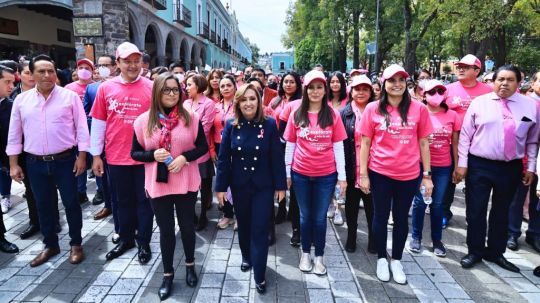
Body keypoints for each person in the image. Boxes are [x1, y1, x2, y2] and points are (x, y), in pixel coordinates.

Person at [455, 65, 540, 273]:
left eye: (510, 79)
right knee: (476, 210)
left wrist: (530, 167)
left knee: (502, 211)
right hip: (480, 164)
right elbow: (465, 135)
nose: (504, 83)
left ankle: (495, 251)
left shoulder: (530, 107)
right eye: (500, 79)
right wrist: (462, 164)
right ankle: (474, 251)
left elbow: (532, 141)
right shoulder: (479, 103)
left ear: (519, 83)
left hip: (511, 167)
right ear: (493, 81)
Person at [7, 54, 90, 266]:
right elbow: (15, 134)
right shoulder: (21, 100)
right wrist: (14, 163)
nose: (47, 75)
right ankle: (50, 244)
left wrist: (82, 157)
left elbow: (82, 129)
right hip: (35, 163)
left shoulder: (69, 97)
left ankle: (76, 244)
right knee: (43, 205)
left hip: (65, 160)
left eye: (50, 71)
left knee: (72, 203)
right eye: (41, 71)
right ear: (31, 75)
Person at [132, 73, 208, 300]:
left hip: (186, 182)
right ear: (157, 92)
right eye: (166, 90)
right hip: (158, 184)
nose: (172, 94)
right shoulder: (143, 121)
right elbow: (134, 153)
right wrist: (152, 154)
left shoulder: (191, 117)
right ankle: (167, 274)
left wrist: (185, 157)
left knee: (186, 227)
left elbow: (202, 147)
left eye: (176, 89)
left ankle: (190, 264)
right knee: (166, 231)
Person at [358, 64, 433, 284]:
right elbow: (365, 143)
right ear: (384, 83)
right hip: (380, 172)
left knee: (401, 218)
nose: (397, 84)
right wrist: (363, 174)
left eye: (401, 80)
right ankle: (382, 257)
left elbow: (423, 143)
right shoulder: (373, 109)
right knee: (380, 216)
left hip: (409, 174)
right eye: (392, 80)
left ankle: (397, 259)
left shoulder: (419, 109)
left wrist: (427, 176)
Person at [215, 83, 286, 294]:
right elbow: (224, 159)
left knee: (260, 228)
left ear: (259, 101)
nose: (248, 103)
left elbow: (277, 158)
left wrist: (281, 185)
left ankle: (260, 274)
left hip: (263, 185)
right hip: (239, 185)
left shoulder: (270, 124)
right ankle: (246, 256)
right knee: (244, 225)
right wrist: (220, 187)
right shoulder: (230, 125)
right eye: (244, 99)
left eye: (252, 99)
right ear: (238, 103)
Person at [90, 42, 154, 264]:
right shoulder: (105, 89)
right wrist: (96, 155)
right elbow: (98, 123)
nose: (132, 65)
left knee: (145, 202)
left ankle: (144, 241)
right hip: (116, 157)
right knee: (122, 201)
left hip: (145, 158)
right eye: (127, 61)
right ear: (117, 63)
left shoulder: (152, 87)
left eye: (136, 61)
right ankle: (126, 239)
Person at [284, 70, 347, 275]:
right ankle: (304, 253)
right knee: (305, 216)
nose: (315, 91)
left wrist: (342, 177)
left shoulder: (333, 114)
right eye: (311, 87)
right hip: (300, 173)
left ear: (325, 89)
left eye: (319, 87)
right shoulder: (296, 114)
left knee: (319, 218)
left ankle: (319, 256)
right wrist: (287, 173)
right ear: (305, 89)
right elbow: (290, 145)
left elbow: (338, 147)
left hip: (326, 175)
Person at [408, 79, 461, 257]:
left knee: (438, 204)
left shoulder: (453, 115)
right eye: (431, 91)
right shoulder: (418, 112)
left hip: (444, 166)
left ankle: (437, 240)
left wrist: (456, 166)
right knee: (420, 202)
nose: (436, 95)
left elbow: (455, 143)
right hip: (421, 165)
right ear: (424, 94)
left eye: (440, 91)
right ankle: (416, 237)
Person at [442, 54, 493, 228]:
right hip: (451, 143)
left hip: (479, 144)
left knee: (475, 184)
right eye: (459, 66)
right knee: (450, 180)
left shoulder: (488, 91)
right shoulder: (448, 89)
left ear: (477, 70)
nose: (461, 69)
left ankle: (473, 218)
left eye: (466, 67)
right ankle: (444, 212)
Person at [83, 55, 118, 243]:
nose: (103, 68)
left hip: (119, 143)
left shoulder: (123, 86)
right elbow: (86, 114)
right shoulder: (92, 88)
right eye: (100, 65)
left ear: (115, 66)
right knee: (103, 176)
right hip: (100, 141)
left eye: (107, 65)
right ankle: (108, 205)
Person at [340, 75, 376, 253]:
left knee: (372, 207)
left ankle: (373, 238)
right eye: (357, 89)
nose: (361, 92)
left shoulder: (379, 111)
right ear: (351, 91)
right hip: (351, 167)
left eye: (365, 89)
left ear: (371, 91)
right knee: (352, 206)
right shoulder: (343, 113)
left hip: (373, 167)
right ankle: (351, 236)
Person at [269, 72, 302, 226]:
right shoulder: (275, 101)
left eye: (292, 82)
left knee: (293, 178)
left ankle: (293, 210)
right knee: (279, 177)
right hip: (275, 144)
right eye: (285, 81)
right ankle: (281, 208)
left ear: (298, 85)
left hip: (295, 145)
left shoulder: (302, 102)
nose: (288, 84)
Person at [183, 74, 216, 231]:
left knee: (204, 186)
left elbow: (205, 127)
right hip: (185, 151)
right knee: (189, 186)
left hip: (200, 152)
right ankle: (191, 215)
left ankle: (203, 214)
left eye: (189, 84)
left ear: (198, 86)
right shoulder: (185, 103)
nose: (187, 87)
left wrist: (185, 134)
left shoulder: (208, 104)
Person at [65, 58, 96, 205]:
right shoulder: (69, 88)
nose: (83, 70)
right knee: (79, 161)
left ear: (92, 71)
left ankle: (100, 191)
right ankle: (81, 192)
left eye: (87, 68)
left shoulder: (97, 87)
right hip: (75, 132)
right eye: (81, 67)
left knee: (95, 160)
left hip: (94, 131)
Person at [211, 75, 237, 229]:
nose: (225, 88)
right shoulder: (215, 107)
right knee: (223, 180)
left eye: (228, 85)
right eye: (223, 86)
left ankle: (240, 214)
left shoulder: (240, 105)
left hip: (237, 147)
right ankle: (227, 214)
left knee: (238, 181)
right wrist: (211, 149)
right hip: (219, 147)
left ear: (235, 87)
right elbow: (209, 130)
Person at [0, 64, 19, 254]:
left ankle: (1, 238)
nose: (11, 86)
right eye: (7, 82)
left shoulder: (12, 106)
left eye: (13, 82)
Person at [326, 71, 348, 225]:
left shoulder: (348, 100)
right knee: (329, 176)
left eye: (337, 81)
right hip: (326, 144)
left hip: (344, 142)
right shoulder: (323, 99)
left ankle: (339, 208)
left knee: (341, 175)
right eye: (332, 81)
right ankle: (330, 204)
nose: (335, 84)